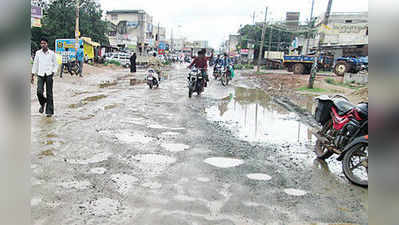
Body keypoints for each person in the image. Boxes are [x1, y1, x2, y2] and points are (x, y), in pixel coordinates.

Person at [31, 37, 58, 117]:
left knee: (49, 93)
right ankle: (43, 103)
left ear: (47, 44)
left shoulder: (52, 53)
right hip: (40, 74)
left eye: (44, 43)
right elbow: (35, 64)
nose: (42, 45)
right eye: (41, 43)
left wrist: (53, 72)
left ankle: (49, 112)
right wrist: (32, 75)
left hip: (49, 74)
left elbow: (56, 64)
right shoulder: (38, 53)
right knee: (39, 92)